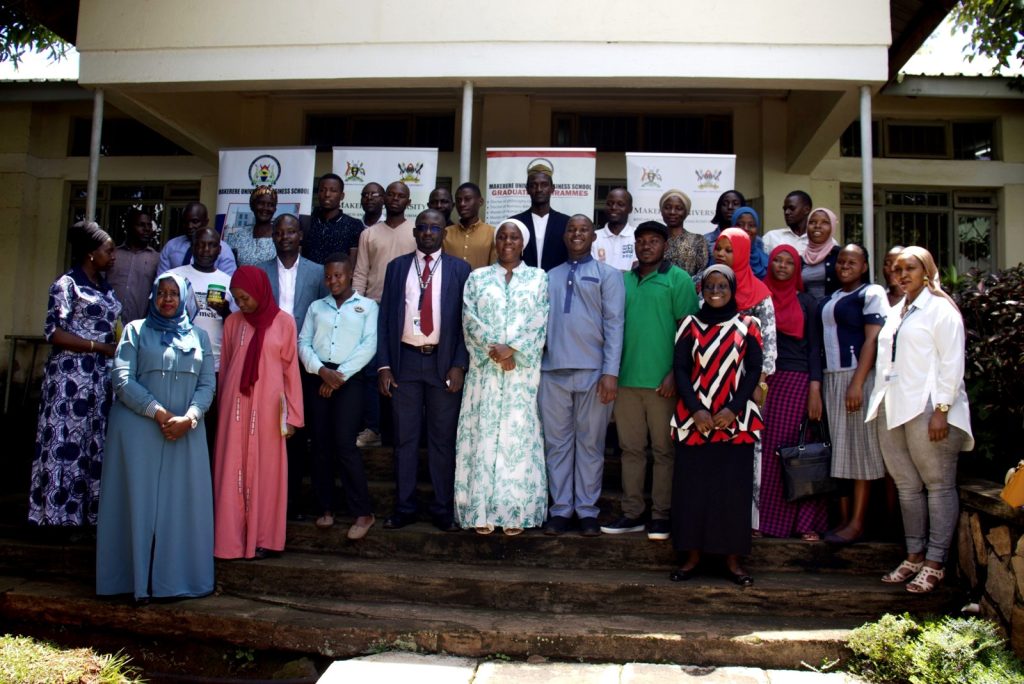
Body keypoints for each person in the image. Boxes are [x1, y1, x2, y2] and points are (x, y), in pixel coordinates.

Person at [96, 273, 215, 601]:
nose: (167, 299)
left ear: (185, 298)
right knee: (136, 502)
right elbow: (121, 379)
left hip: (185, 433)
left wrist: (189, 418)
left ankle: (175, 583)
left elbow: (207, 385)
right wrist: (160, 414)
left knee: (181, 506)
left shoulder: (200, 338)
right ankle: (129, 583)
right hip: (138, 429)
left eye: (174, 294)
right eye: (161, 293)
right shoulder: (136, 331)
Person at [868, 246, 973, 593]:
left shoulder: (940, 309)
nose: (901, 275)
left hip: (929, 410)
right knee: (908, 488)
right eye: (897, 269)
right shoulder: (899, 310)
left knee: (938, 485)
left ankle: (935, 562)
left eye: (910, 268)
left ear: (927, 269)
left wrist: (942, 409)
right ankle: (914, 556)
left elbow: (952, 363)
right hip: (894, 407)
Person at [602, 221, 699, 539]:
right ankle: (632, 513)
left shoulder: (679, 280)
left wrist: (675, 372)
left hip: (663, 383)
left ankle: (661, 515)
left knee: (663, 451)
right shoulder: (621, 281)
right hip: (626, 381)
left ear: (664, 246)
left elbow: (689, 332)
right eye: (641, 241)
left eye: (653, 241)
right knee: (631, 450)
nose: (646, 246)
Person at [669, 265, 764, 586]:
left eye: (722, 285)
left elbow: (753, 371)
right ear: (702, 290)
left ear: (732, 288)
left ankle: (733, 560)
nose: (715, 291)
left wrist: (732, 409)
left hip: (735, 421)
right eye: (709, 285)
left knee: (732, 492)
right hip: (695, 420)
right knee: (692, 490)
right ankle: (692, 556)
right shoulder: (688, 325)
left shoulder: (748, 324)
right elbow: (680, 370)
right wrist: (697, 410)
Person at [378, 209, 471, 532]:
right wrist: (385, 365)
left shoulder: (461, 270)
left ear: (445, 233)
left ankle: (443, 508)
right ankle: (404, 507)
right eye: (423, 228)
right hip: (404, 362)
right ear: (414, 233)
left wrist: (459, 364)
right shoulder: (397, 268)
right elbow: (385, 318)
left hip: (442, 363)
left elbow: (465, 324)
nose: (429, 233)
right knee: (405, 440)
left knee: (442, 440)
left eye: (435, 228)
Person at [455, 218, 549, 535]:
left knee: (516, 440)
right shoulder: (477, 278)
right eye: (502, 237)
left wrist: (514, 350)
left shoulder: (539, 279)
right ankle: (479, 511)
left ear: (523, 243)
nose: (507, 241)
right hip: (485, 374)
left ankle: (514, 512)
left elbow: (540, 320)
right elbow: (469, 318)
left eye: (514, 237)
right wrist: (496, 351)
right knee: (482, 437)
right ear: (495, 243)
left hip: (521, 376)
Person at [29, 221, 121, 527]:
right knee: (67, 445)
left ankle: (87, 515)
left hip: (99, 380)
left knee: (93, 445)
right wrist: (98, 346)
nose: (114, 255)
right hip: (70, 382)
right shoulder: (66, 285)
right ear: (91, 253)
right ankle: (58, 517)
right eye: (109, 250)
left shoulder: (103, 287)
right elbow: (53, 332)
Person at [540, 215, 624, 537]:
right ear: (564, 237)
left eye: (584, 230)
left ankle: (587, 511)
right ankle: (561, 509)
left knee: (590, 444)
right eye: (572, 230)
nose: (577, 234)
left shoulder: (608, 275)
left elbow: (615, 325)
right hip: (553, 371)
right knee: (557, 444)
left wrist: (610, 372)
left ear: (593, 237)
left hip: (593, 372)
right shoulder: (549, 276)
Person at [213, 266, 304, 560]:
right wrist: (225, 406)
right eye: (237, 299)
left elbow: (291, 372)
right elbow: (226, 367)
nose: (242, 304)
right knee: (231, 469)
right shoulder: (233, 323)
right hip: (235, 407)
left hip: (268, 410)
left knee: (267, 471)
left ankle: (264, 538)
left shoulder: (284, 322)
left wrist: (292, 416)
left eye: (246, 298)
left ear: (260, 291)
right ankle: (229, 540)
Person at [810, 244, 887, 546]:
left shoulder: (871, 294)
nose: (844, 266)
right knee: (840, 450)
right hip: (831, 380)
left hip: (857, 378)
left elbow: (873, 340)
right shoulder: (830, 299)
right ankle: (842, 520)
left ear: (864, 266)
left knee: (860, 450)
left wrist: (857, 382)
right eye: (841, 261)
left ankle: (858, 522)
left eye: (852, 262)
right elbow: (817, 345)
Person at [298, 253, 378, 539]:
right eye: (329, 276)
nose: (333, 280)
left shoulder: (367, 307)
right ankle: (326, 508)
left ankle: (363, 513)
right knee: (320, 444)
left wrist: (338, 376)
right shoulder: (316, 307)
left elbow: (368, 345)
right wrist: (321, 371)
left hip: (350, 381)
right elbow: (303, 342)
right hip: (318, 377)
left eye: (339, 275)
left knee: (344, 444)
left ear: (350, 274)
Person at [257, 213, 328, 519]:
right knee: (272, 432)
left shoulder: (317, 272)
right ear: (273, 236)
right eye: (279, 232)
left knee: (300, 432)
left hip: (305, 364)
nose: (285, 236)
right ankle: (268, 501)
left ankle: (293, 503)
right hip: (269, 365)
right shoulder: (259, 273)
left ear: (301, 236)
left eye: (291, 232)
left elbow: (327, 316)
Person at [756, 245, 828, 541]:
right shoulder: (759, 296)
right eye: (778, 261)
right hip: (764, 379)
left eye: (789, 262)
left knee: (797, 450)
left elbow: (814, 349)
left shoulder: (807, 302)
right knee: (767, 454)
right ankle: (765, 522)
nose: (783, 266)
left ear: (796, 269)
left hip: (797, 380)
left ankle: (805, 523)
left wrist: (815, 388)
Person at [712, 228, 777, 529]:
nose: (721, 254)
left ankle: (746, 521)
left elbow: (769, 345)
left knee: (746, 451)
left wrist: (760, 384)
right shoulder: (708, 284)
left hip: (746, 385)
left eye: (728, 250)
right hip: (710, 381)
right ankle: (715, 515)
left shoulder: (759, 293)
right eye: (719, 248)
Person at [354, 181, 417, 448]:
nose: (394, 199)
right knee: (372, 370)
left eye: (400, 195)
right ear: (384, 199)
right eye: (390, 194)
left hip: (409, 309)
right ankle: (373, 428)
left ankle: (399, 432)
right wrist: (358, 308)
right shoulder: (369, 234)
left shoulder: (416, 231)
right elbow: (360, 272)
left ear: (408, 202)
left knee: (402, 372)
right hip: (374, 308)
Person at [169, 227, 234, 372]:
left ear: (219, 250)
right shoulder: (173, 277)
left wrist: (225, 312)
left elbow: (236, 325)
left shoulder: (229, 282)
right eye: (201, 244)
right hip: (176, 360)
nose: (206, 249)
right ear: (192, 247)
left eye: (212, 245)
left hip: (214, 364)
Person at [107, 208, 160, 323]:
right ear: (128, 227)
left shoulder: (157, 259)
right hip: (108, 322)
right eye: (141, 225)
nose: (146, 229)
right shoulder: (112, 255)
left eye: (149, 225)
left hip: (139, 327)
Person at [511, 168, 570, 271]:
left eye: (544, 185)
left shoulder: (566, 222)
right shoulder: (515, 223)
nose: (539, 189)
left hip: (556, 284)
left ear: (552, 188)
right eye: (533, 185)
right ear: (527, 189)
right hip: (523, 284)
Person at [157, 202, 237, 275]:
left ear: (206, 222)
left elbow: (228, 282)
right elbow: (161, 280)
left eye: (195, 221)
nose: (189, 226)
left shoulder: (223, 249)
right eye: (185, 222)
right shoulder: (171, 246)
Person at [302, 173, 365, 266]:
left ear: (342, 195)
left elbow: (353, 265)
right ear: (318, 193)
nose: (327, 194)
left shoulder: (354, 225)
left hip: (339, 280)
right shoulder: (306, 223)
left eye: (333, 190)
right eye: (322, 190)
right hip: (308, 279)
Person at [443, 182, 496, 270]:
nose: (462, 204)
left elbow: (494, 268)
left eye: (467, 199)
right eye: (458, 200)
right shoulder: (445, 233)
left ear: (480, 202)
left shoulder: (492, 233)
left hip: (480, 283)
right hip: (452, 283)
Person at [225, 186, 278, 266]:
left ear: (274, 209)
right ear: (252, 206)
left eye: (270, 205)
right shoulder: (237, 237)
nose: (265, 208)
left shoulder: (280, 238)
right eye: (261, 203)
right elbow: (230, 268)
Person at [661, 189, 706, 277]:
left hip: (688, 289)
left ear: (687, 212)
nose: (672, 212)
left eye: (679, 208)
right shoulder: (655, 241)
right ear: (661, 211)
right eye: (667, 207)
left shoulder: (697, 240)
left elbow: (702, 272)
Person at [801, 208, 842, 301]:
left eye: (825, 222)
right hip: (809, 313)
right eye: (812, 222)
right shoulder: (801, 258)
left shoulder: (840, 255)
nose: (817, 226)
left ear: (832, 227)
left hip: (834, 312)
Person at [592, 188, 636, 271]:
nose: (614, 207)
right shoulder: (594, 237)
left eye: (620, 204)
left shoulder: (638, 235)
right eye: (609, 204)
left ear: (630, 209)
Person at [763, 190, 813, 255]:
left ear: (806, 210)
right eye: (785, 209)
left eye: (792, 208)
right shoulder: (771, 237)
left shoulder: (817, 240)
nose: (786, 212)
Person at [703, 190, 745, 267]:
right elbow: (700, 273)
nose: (730, 207)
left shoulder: (753, 240)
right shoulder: (706, 240)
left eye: (735, 204)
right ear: (719, 208)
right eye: (725, 204)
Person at [732, 207, 767, 280]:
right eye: (740, 225)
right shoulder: (722, 256)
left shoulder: (766, 260)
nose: (746, 229)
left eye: (751, 225)